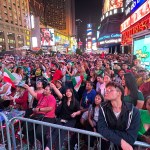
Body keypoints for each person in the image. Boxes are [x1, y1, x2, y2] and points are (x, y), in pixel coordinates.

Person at [97, 82, 140, 150]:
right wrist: (121, 141)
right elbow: (101, 128)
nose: (106, 92)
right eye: (106, 90)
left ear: (119, 93)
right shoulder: (103, 107)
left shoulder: (133, 111)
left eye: (110, 90)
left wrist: (108, 133)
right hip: (107, 146)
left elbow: (131, 138)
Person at [22, 84, 56, 148]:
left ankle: (46, 145)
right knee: (26, 127)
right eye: (45, 89)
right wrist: (28, 87)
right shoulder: (42, 96)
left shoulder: (52, 98)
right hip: (38, 115)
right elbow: (34, 94)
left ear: (50, 91)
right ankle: (30, 144)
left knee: (39, 133)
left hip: (47, 117)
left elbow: (50, 108)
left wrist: (39, 109)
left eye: (46, 89)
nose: (44, 90)